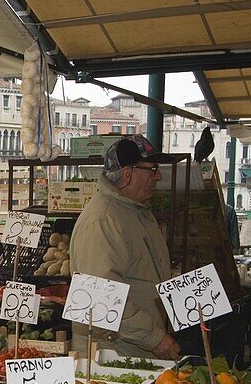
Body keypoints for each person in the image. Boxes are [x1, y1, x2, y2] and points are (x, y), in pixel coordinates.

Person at [69, 135, 180, 360]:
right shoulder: (104, 220)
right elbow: (101, 299)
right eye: (152, 169)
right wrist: (153, 338)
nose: (157, 176)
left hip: (133, 350)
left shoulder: (135, 212)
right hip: (111, 356)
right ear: (128, 174)